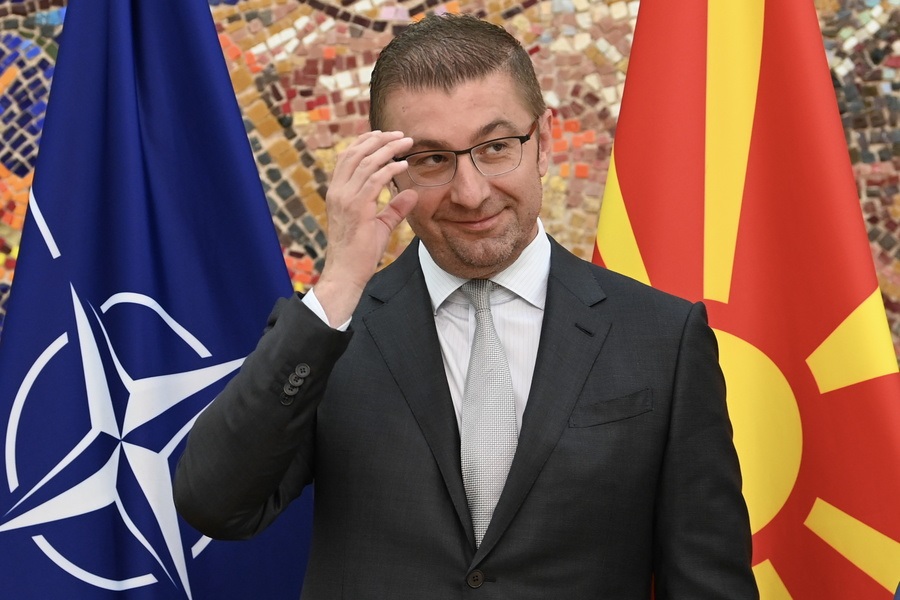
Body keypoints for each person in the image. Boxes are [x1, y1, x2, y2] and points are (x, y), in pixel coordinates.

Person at [174, 13, 757, 599]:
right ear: (390, 173)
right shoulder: (332, 330)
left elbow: (708, 584)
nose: (471, 192)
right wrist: (338, 286)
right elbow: (216, 504)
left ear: (545, 143)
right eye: (432, 160)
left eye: (497, 147)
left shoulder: (664, 337)